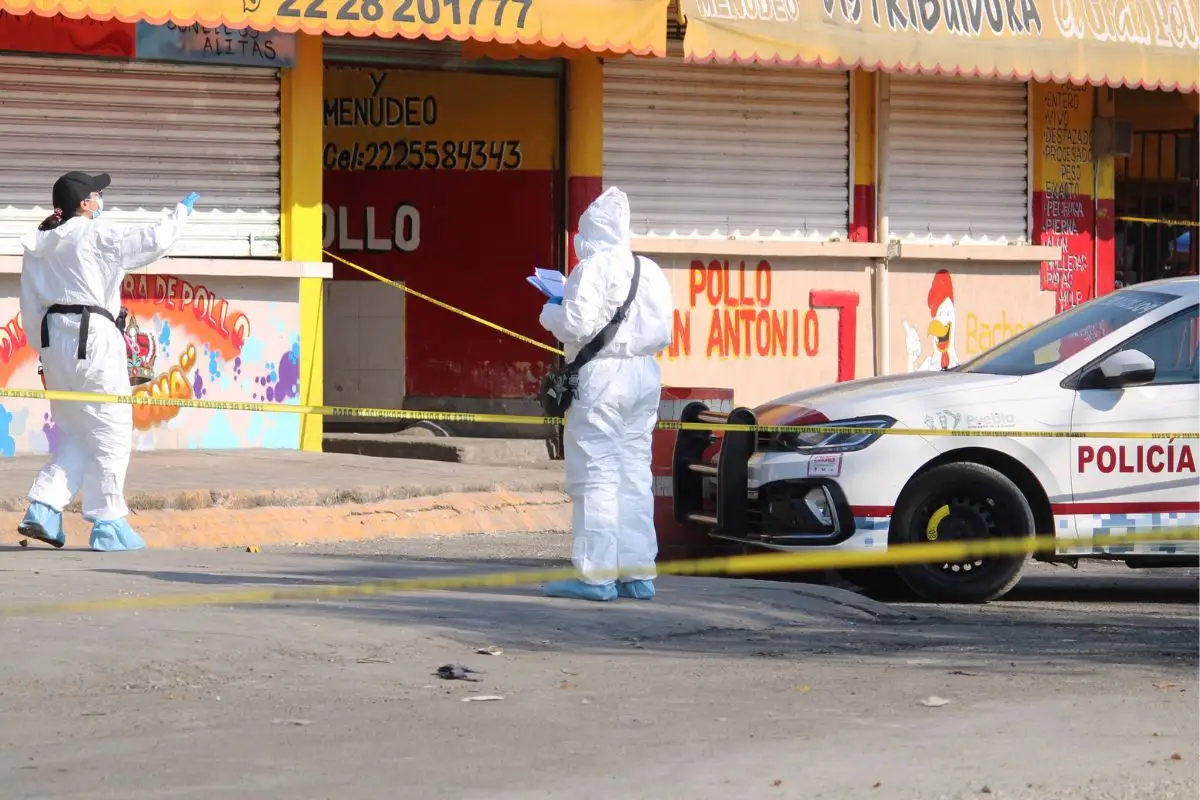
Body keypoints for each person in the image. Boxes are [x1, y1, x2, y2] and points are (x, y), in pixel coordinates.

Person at [17, 171, 199, 551]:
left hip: (54, 345)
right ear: (84, 204)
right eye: (97, 194)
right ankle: (108, 523)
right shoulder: (93, 234)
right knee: (112, 430)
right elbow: (152, 242)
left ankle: (45, 507)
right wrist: (179, 214)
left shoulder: (39, 246)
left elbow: (29, 308)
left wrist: (44, 356)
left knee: (78, 433)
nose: (101, 200)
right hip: (92, 340)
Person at [537, 186, 675, 601]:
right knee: (634, 473)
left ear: (590, 231)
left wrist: (549, 310)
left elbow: (576, 325)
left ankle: (595, 577)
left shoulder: (591, 268)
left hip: (602, 378)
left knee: (595, 473)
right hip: (644, 375)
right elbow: (665, 331)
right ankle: (638, 575)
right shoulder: (649, 270)